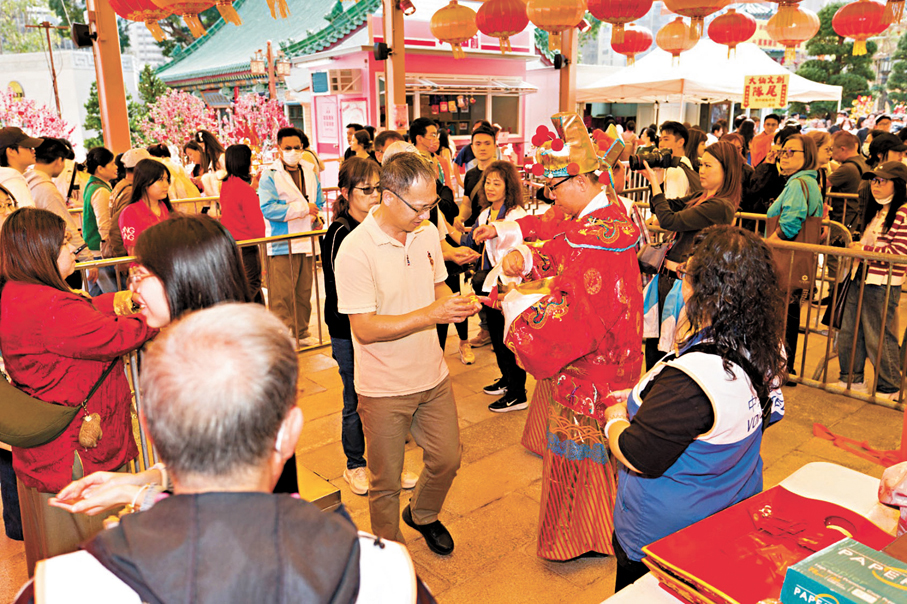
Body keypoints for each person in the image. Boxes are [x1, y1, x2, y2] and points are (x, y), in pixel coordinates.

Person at [42, 304, 420, 602]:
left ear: (151, 433)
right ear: (289, 433)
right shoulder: (383, 574)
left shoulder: (63, 586)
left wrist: (144, 495)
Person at [472, 115, 643, 561]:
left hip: (594, 364)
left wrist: (517, 313)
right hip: (618, 355)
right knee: (599, 452)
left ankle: (583, 536)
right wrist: (526, 259)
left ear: (584, 181)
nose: (552, 195)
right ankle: (602, 527)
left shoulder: (598, 235)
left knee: (583, 455)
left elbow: (573, 314)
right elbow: (561, 242)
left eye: (557, 186)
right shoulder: (605, 221)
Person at [604, 225, 786, 591]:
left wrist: (615, 420)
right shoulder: (766, 345)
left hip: (664, 535)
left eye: (686, 273)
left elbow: (639, 455)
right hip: (730, 507)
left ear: (698, 289)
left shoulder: (694, 379)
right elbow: (766, 414)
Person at [335, 152, 480, 554]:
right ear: (389, 197)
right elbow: (363, 329)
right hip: (383, 387)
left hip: (431, 376)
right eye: (420, 206)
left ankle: (423, 514)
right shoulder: (355, 250)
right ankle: (389, 559)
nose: (426, 214)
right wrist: (429, 315)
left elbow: (437, 287)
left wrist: (453, 304)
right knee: (384, 483)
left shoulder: (427, 232)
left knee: (447, 460)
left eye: (431, 205)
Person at [0, 207, 155, 575]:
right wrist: (154, 314)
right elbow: (116, 336)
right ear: (41, 251)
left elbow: (77, 315)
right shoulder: (53, 306)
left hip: (44, 444)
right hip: (76, 449)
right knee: (89, 546)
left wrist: (113, 302)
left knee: (53, 548)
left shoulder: (18, 291)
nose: (74, 248)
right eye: (65, 242)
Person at [321, 157, 419, 496]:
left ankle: (387, 463)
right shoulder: (340, 232)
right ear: (346, 193)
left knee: (386, 400)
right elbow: (343, 289)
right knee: (355, 400)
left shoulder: (384, 228)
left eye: (379, 189)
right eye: (366, 190)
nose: (374, 197)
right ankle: (355, 464)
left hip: (382, 325)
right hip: (348, 332)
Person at [642, 141, 741, 370]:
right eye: (701, 164)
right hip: (667, 281)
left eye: (708, 165)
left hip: (686, 286)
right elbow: (663, 206)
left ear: (727, 169)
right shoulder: (701, 196)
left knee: (672, 353)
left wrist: (656, 186)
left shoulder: (721, 206)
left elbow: (669, 220)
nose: (701, 170)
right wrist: (656, 181)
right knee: (655, 350)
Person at [456, 161, 528, 412]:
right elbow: (468, 238)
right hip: (490, 284)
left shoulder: (516, 215)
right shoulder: (486, 214)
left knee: (508, 339)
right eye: (488, 182)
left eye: (497, 182)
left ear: (509, 186)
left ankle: (518, 392)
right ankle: (507, 379)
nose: (490, 187)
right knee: (497, 336)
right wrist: (448, 226)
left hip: (510, 286)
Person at [836, 162, 907, 400]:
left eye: (882, 181)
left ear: (898, 185)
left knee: (877, 334)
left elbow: (899, 253)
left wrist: (863, 249)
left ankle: (889, 387)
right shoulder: (879, 210)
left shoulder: (903, 212)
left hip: (882, 282)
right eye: (874, 181)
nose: (876, 186)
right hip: (861, 276)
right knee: (849, 330)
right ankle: (851, 378)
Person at [259, 126, 324, 347]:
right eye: (288, 147)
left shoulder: (310, 171)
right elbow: (268, 209)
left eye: (297, 147)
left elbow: (320, 203)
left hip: (306, 241)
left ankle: (302, 332)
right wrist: (303, 208)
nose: (293, 151)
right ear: (279, 149)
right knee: (281, 295)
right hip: (281, 244)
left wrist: (318, 218)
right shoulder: (269, 176)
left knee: (303, 292)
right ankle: (280, 336)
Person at [766, 133, 824, 376]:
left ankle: (781, 368)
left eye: (791, 152)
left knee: (782, 318)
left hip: (785, 261)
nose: (784, 156)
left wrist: (767, 243)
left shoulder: (799, 184)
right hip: (792, 263)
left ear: (807, 155)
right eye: (782, 151)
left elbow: (790, 224)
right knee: (787, 316)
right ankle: (785, 367)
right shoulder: (804, 182)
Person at [25, 138, 93, 268]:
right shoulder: (46, 188)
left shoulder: (27, 182)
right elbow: (65, 224)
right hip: (56, 257)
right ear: (59, 160)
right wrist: (87, 258)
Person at [220, 144, 266, 303]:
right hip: (247, 244)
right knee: (251, 285)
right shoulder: (244, 190)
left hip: (231, 243)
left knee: (249, 286)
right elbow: (256, 224)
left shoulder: (227, 184)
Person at [83, 146, 119, 294]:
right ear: (100, 168)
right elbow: (104, 225)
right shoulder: (101, 191)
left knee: (96, 295)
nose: (116, 167)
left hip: (95, 250)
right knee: (112, 295)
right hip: (100, 252)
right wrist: (112, 250)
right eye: (111, 164)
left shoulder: (92, 185)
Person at [118, 159, 173, 256]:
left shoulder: (165, 207)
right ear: (144, 182)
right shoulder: (130, 212)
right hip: (145, 268)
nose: (166, 185)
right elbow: (133, 251)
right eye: (160, 179)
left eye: (167, 179)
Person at [829, 130, 870, 233]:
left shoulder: (847, 168)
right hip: (856, 218)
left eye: (831, 149)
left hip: (844, 221)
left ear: (842, 149)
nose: (830, 153)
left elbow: (821, 184)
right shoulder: (863, 161)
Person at [658, 121, 701, 198]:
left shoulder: (675, 169)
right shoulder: (685, 162)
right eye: (660, 140)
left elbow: (670, 206)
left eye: (666, 139)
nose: (661, 144)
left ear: (680, 142)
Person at [0, 126, 41, 208]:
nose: (33, 150)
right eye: (28, 147)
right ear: (11, 151)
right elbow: (26, 220)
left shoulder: (6, 180)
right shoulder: (14, 184)